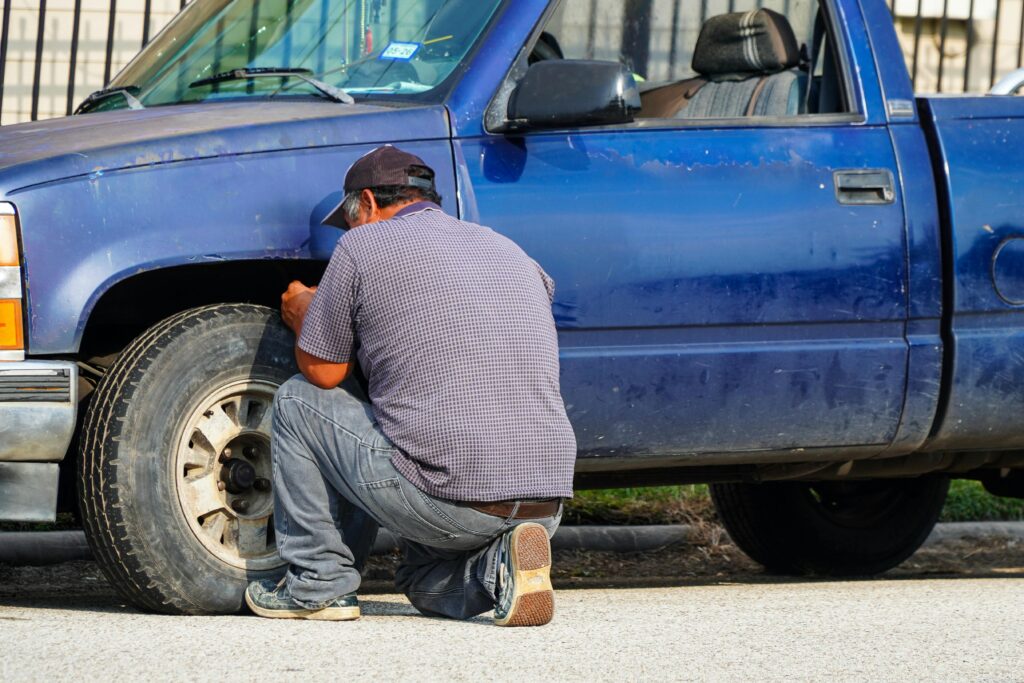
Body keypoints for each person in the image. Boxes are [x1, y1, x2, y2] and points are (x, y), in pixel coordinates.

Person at [245, 145, 577, 626]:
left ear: (369, 202)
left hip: (452, 498)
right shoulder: (510, 250)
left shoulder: (362, 247)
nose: (352, 230)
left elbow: (324, 374)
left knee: (299, 400)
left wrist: (305, 315)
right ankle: (498, 569)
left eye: (352, 218)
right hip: (546, 501)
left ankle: (318, 584)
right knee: (420, 580)